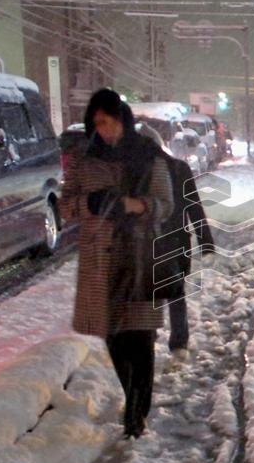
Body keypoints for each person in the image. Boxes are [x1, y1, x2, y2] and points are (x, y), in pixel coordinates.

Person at [61, 89, 174, 438]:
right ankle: (132, 396)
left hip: (139, 256)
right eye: (97, 123)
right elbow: (64, 208)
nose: (104, 129)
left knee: (139, 337)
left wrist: (134, 205)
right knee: (114, 336)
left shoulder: (146, 157)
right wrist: (89, 203)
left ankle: (136, 414)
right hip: (100, 262)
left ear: (122, 120)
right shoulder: (84, 160)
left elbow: (165, 205)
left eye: (109, 121)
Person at [153, 135, 215, 364]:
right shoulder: (179, 168)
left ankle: (151, 340)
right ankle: (179, 343)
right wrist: (204, 241)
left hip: (150, 244)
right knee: (176, 294)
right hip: (177, 241)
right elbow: (194, 206)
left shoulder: (134, 171)